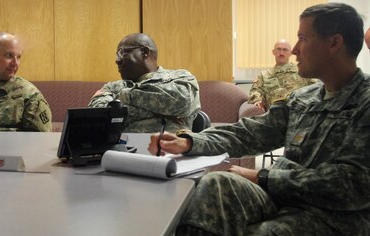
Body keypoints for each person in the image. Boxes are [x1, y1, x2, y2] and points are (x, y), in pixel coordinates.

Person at [148, 3, 369, 235]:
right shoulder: (304, 99)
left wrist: (264, 178)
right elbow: (250, 132)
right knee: (216, 184)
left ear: (334, 43)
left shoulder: (365, 101)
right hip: (284, 199)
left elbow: (355, 183)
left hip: (334, 217)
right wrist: (191, 141)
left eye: (303, 38)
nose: (294, 50)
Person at [88, 33, 200, 133]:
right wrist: (157, 111)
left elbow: (182, 103)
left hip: (167, 152)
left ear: (144, 52)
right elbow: (98, 118)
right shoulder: (112, 86)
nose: (117, 60)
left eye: (122, 52)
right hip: (121, 153)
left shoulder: (181, 77)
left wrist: (123, 97)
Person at [248, 39, 316, 112]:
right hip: (273, 115)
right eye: (278, 49)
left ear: (290, 53)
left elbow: (318, 88)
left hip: (299, 114)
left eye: (285, 50)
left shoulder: (302, 71)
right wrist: (257, 100)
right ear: (273, 52)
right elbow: (254, 91)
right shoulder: (264, 75)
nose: (281, 53)